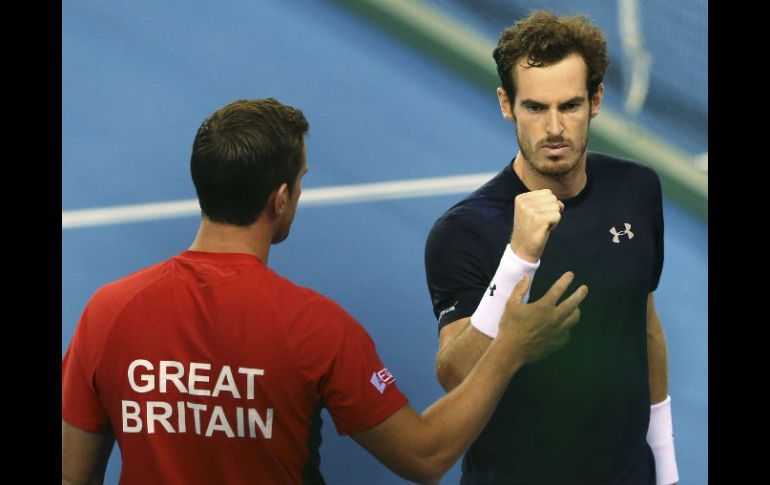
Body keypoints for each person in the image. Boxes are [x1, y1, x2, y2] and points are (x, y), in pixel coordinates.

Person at [61, 98, 589, 485]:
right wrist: (510, 349)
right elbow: (425, 456)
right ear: (281, 198)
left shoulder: (108, 312)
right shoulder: (316, 329)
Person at [424, 11, 679, 485]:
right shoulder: (464, 231)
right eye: (536, 108)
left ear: (596, 100)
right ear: (507, 104)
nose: (555, 128)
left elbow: (645, 326)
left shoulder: (638, 188)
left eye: (571, 105)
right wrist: (518, 258)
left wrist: (666, 467)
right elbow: (454, 375)